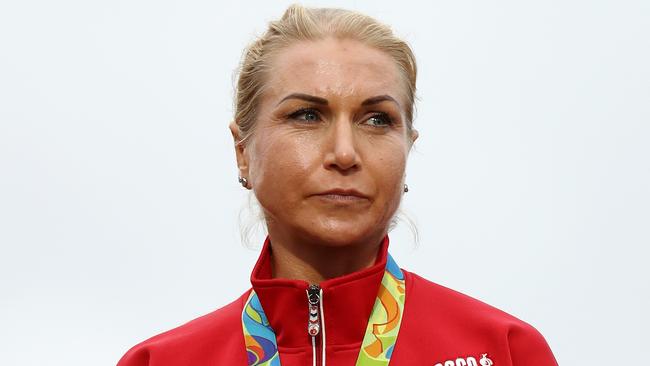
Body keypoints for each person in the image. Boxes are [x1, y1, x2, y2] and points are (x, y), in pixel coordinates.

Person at [117, 5, 558, 366]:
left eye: (377, 120)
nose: (345, 153)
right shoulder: (159, 361)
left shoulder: (507, 351)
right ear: (243, 151)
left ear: (408, 148)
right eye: (307, 115)